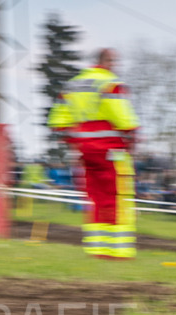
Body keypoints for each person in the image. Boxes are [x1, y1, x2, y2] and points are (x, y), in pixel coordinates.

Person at [48, 48, 139, 259]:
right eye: (113, 60)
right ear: (105, 61)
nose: (115, 65)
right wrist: (133, 139)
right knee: (119, 198)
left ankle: (97, 248)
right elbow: (125, 119)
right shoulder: (110, 84)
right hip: (112, 151)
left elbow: (57, 122)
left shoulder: (72, 85)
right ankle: (120, 250)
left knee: (96, 198)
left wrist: (75, 141)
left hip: (85, 153)